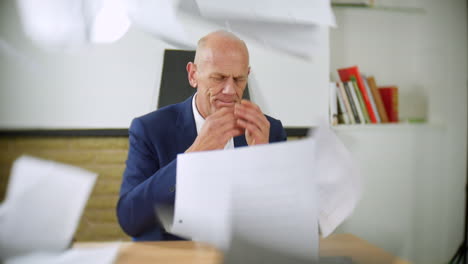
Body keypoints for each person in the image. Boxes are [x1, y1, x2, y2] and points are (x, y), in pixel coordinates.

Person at [117, 30, 287, 241]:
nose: (229, 90)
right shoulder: (150, 129)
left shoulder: (270, 130)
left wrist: (260, 161)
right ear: (193, 75)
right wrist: (192, 158)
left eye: (239, 79)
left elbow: (287, 224)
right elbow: (130, 218)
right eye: (219, 78)